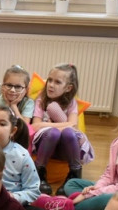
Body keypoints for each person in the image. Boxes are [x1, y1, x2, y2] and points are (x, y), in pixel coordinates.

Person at [34, 96, 118, 210]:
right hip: (112, 187)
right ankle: (89, 207)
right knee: (71, 184)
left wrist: (90, 194)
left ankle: (64, 205)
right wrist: (96, 188)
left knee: (106, 200)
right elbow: (108, 174)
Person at [31, 63, 94, 195]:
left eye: (57, 82)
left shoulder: (71, 103)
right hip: (45, 145)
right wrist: (61, 126)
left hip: (65, 148)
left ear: (68, 88)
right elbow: (36, 126)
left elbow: (73, 126)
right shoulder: (41, 100)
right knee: (53, 133)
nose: (51, 85)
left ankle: (74, 176)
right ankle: (39, 173)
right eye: (50, 80)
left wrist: (48, 124)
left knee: (69, 133)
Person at [0, 103, 48, 210]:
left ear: (13, 131)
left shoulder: (22, 155)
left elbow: (33, 190)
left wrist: (12, 197)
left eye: (2, 124)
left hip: (10, 205)